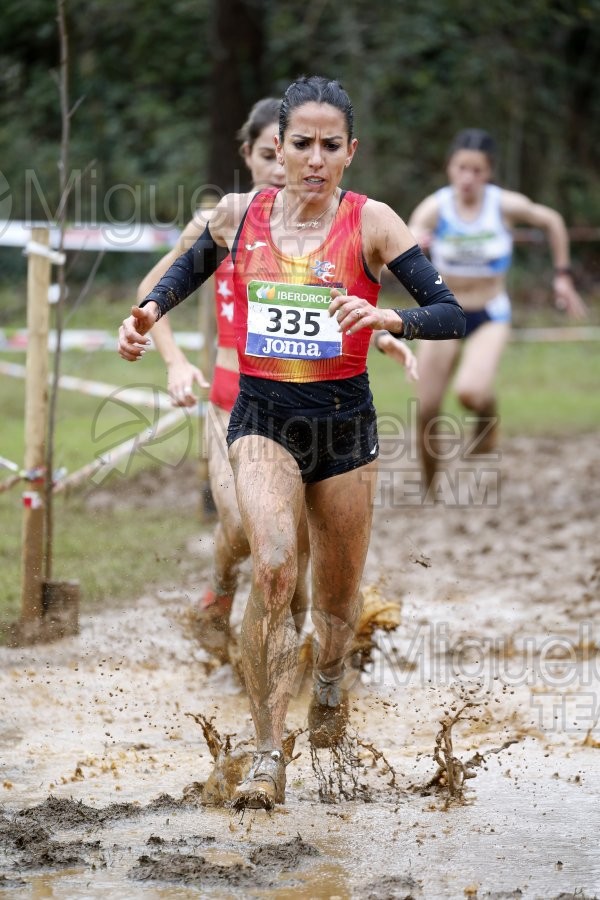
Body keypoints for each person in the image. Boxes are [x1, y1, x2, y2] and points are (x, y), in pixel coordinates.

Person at [118, 75, 465, 810]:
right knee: (275, 568)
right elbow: (187, 266)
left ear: (350, 153)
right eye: (297, 143)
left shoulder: (373, 223)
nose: (311, 158)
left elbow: (449, 311)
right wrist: (147, 314)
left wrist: (390, 322)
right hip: (262, 421)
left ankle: (331, 679)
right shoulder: (240, 213)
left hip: (346, 432)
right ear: (277, 146)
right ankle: (269, 752)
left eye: (327, 146)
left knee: (336, 609)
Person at [138, 99, 311, 659]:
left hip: (304, 402)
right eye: (269, 155)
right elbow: (151, 296)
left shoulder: (322, 225)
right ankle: (220, 589)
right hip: (229, 399)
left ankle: (284, 658)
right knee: (240, 526)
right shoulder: (221, 221)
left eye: (291, 153)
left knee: (288, 544)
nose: (282, 168)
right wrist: (174, 361)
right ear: (251, 154)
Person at [407, 128, 587, 491]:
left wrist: (562, 277)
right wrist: (417, 243)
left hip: (489, 313)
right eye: (462, 168)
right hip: (443, 312)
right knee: (427, 408)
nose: (468, 178)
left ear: (488, 173)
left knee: (470, 392)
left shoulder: (503, 205)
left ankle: (487, 419)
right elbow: (407, 238)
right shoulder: (435, 207)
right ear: (450, 168)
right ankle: (429, 488)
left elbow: (551, 220)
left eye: (477, 170)